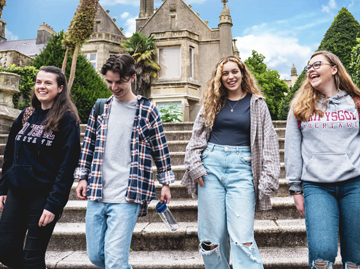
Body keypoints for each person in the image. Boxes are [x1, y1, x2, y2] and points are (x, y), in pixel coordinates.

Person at [74, 54, 175, 269]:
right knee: (96, 257)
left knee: (116, 261)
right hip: (98, 192)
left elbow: (160, 148)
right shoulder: (100, 108)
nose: (113, 87)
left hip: (128, 195)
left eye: (118, 82)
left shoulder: (147, 110)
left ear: (131, 77)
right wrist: (82, 177)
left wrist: (165, 182)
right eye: (109, 81)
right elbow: (88, 145)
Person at [181, 55, 280, 269]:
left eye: (234, 71)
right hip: (210, 168)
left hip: (242, 169)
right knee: (211, 239)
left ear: (243, 73)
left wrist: (269, 178)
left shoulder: (257, 104)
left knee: (242, 237)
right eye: (224, 73)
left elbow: (270, 142)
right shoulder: (212, 102)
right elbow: (196, 138)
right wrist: (195, 165)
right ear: (219, 78)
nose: (230, 76)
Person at [285, 50, 360, 269]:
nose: (311, 70)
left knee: (355, 258)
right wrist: (295, 189)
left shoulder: (356, 103)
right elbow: (292, 149)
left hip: (355, 184)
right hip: (316, 187)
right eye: (308, 67)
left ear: (334, 69)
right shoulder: (300, 107)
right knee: (321, 256)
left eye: (317, 65)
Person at [0, 66, 80, 269]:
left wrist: (54, 204)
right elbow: (10, 154)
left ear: (60, 88)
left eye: (48, 83)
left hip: (43, 197)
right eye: (38, 82)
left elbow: (67, 165)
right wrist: (3, 188)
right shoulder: (27, 114)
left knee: (33, 257)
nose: (41, 86)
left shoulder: (67, 119)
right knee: (5, 249)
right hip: (17, 192)